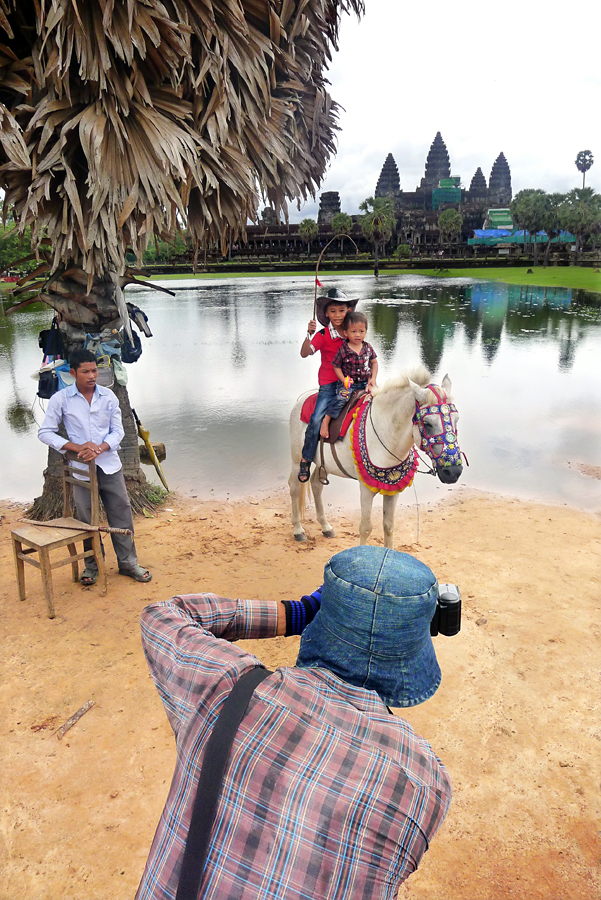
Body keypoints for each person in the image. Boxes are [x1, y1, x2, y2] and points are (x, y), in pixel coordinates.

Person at [136, 546, 452, 900]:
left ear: (321, 620)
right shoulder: (425, 781)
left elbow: (162, 615)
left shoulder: (224, 686)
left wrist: (299, 612)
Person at [38, 349, 151, 584]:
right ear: (73, 373)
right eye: (85, 371)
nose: (92, 375)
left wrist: (99, 448)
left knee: (121, 512)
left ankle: (128, 564)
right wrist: (76, 447)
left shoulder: (108, 397)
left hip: (109, 464)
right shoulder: (61, 398)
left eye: (94, 370)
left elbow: (118, 431)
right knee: (86, 518)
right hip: (80, 467)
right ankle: (92, 565)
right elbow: (45, 432)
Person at [298, 287, 358, 482]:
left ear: (348, 310)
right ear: (326, 313)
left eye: (341, 310)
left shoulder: (352, 332)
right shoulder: (323, 335)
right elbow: (305, 353)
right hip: (330, 384)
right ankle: (306, 459)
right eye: (333, 311)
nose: (337, 315)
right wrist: (309, 334)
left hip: (351, 382)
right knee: (316, 419)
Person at [319, 310, 378, 440]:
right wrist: (343, 379)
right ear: (346, 333)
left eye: (361, 331)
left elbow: (374, 363)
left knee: (379, 398)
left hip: (365, 382)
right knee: (342, 398)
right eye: (353, 331)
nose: (358, 335)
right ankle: (326, 421)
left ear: (366, 332)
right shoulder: (343, 349)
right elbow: (336, 366)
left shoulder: (368, 347)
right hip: (348, 384)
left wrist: (373, 379)